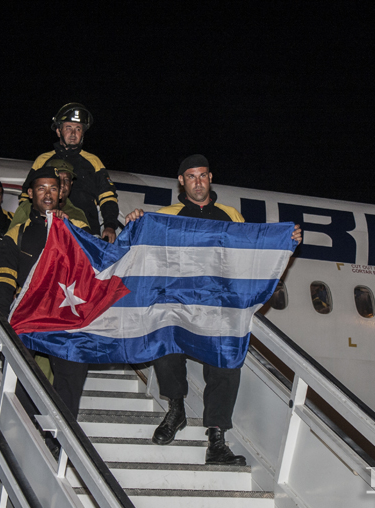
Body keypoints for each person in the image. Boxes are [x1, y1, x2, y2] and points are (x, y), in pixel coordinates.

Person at [125, 154, 302, 466]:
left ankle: (216, 439)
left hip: (219, 305)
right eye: (191, 176)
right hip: (180, 303)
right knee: (164, 342)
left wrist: (285, 242)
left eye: (203, 175)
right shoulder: (167, 215)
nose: (198, 182)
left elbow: (254, 254)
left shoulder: (231, 215)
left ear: (210, 178)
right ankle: (176, 409)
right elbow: (143, 247)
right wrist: (136, 221)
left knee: (226, 364)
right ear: (182, 181)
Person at [0, 167, 89, 418]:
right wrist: (2, 319)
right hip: (28, 313)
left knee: (73, 372)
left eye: (54, 188)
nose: (48, 194)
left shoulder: (76, 225)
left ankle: (61, 436)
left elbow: (93, 266)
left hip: (65, 313)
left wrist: (69, 232)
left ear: (61, 194)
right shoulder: (18, 232)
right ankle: (22, 426)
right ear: (31, 193)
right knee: (21, 373)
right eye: (42, 188)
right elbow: (3, 277)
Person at [31, 102, 119, 242]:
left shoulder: (93, 162)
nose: (73, 133)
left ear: (82, 133)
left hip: (86, 235)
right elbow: (26, 196)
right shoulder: (43, 160)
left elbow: (108, 197)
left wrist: (110, 226)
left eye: (78, 129)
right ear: (59, 131)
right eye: (68, 128)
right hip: (47, 233)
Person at [9, 158, 90, 232]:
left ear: (71, 184)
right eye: (57, 180)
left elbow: (87, 244)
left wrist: (68, 224)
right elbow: (11, 240)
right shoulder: (26, 208)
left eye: (66, 180)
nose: (62, 184)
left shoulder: (77, 214)